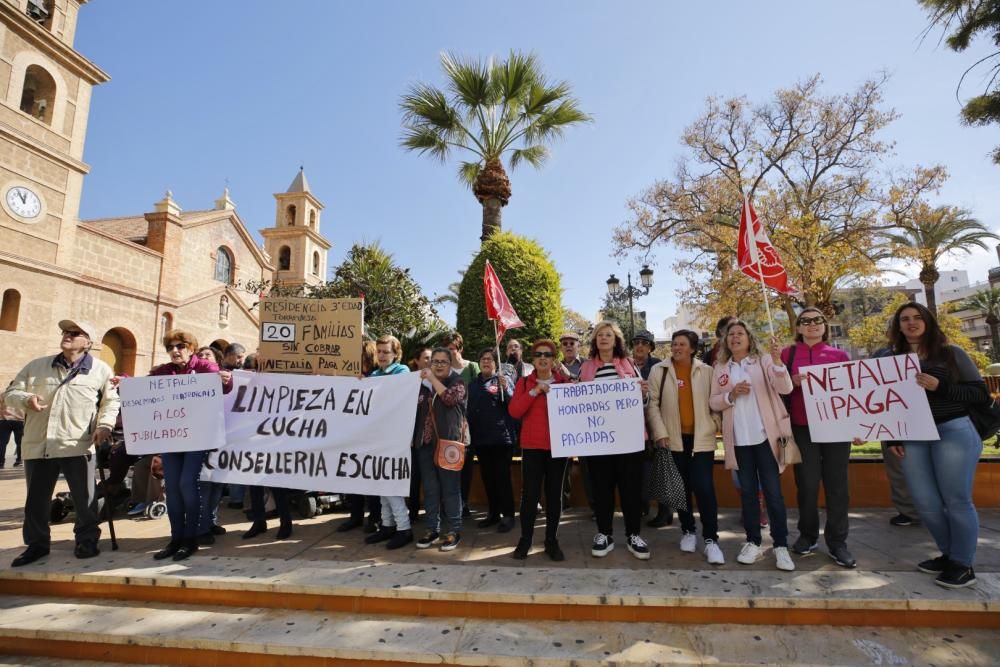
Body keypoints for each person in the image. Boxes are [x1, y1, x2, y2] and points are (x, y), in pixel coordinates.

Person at [886, 302, 987, 589]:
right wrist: (892, 436)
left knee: (956, 500)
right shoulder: (889, 359)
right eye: (904, 319)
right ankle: (949, 555)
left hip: (953, 431)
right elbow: (886, 405)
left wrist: (939, 387)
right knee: (925, 502)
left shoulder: (951, 354)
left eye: (917, 317)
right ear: (898, 326)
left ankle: (963, 564)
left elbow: (979, 392)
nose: (911, 323)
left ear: (928, 322)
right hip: (914, 436)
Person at [5, 319, 120, 566]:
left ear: (88, 342)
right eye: (65, 332)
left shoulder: (101, 370)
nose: (67, 335)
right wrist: (26, 399)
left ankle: (87, 540)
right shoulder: (36, 366)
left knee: (85, 499)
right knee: (36, 500)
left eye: (74, 332)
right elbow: (9, 394)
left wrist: (104, 426)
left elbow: (110, 403)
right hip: (39, 444)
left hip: (77, 445)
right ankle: (36, 545)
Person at [709, 319, 795, 572]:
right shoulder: (720, 367)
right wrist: (731, 395)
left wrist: (779, 363)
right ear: (725, 341)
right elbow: (714, 402)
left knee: (773, 494)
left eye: (740, 333)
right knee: (747, 494)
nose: (735, 337)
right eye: (730, 334)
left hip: (765, 439)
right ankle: (753, 541)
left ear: (749, 338)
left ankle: (780, 546)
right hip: (739, 441)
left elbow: (785, 388)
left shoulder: (764, 360)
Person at [781, 307, 856, 568]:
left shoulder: (840, 355)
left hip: (836, 428)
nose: (812, 324)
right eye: (806, 321)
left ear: (825, 325)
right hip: (802, 428)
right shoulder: (787, 354)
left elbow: (852, 393)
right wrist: (792, 382)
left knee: (837, 487)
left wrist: (857, 427)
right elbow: (776, 389)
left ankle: (838, 543)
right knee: (807, 484)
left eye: (817, 321)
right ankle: (808, 535)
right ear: (798, 327)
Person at [148, 329, 233, 561]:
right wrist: (123, 381)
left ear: (191, 348)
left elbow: (224, 385)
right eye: (170, 348)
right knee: (173, 489)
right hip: (171, 436)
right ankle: (176, 539)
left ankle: (191, 539)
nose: (175, 351)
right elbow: (142, 388)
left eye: (180, 346)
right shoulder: (164, 371)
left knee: (188, 484)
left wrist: (226, 379)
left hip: (197, 436)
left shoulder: (205, 368)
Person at [646, 330, 724, 565]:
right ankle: (688, 531)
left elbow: (715, 403)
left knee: (704, 489)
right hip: (672, 440)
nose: (677, 347)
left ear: (692, 348)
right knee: (681, 489)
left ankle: (711, 540)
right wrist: (660, 433)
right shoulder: (659, 370)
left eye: (682, 344)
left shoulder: (707, 371)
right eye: (674, 344)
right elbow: (652, 405)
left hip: (701, 440)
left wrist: (713, 424)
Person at [580, 320, 651, 560]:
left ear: (616, 340)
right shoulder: (587, 368)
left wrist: (643, 393)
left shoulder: (629, 364)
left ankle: (633, 535)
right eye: (600, 335)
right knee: (602, 490)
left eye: (608, 335)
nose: (603, 338)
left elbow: (643, 402)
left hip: (628, 440)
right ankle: (604, 534)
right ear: (595, 341)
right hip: (598, 441)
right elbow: (579, 403)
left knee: (630, 489)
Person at [508, 339, 569, 560]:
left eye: (548, 354)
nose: (543, 358)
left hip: (558, 449)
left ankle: (551, 541)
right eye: (538, 354)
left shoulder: (565, 384)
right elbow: (514, 411)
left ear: (554, 360)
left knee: (554, 496)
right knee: (530, 496)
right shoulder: (524, 383)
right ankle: (525, 540)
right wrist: (535, 391)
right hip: (532, 447)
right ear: (533, 360)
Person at [414, 347, 467, 551]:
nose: (438, 365)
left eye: (443, 362)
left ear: (450, 363)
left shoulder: (458, 382)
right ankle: (432, 529)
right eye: (434, 361)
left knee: (450, 489)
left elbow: (449, 399)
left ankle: (454, 530)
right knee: (430, 490)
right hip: (425, 445)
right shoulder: (421, 385)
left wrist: (432, 381)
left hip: (448, 444)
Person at [365, 335, 415, 549]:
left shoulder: (402, 372)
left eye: (386, 352)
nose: (382, 355)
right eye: (380, 351)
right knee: (381, 482)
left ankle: (404, 528)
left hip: (396, 437)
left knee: (391, 484)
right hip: (378, 436)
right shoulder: (375, 374)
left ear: (396, 354)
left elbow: (391, 391)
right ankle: (387, 525)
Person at [873, 322, 920, 527]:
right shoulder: (881, 355)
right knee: (897, 470)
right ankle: (908, 512)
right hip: (892, 421)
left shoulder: (932, 352)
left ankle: (935, 509)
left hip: (926, 419)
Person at [467, 348, 517, 533]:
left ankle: (509, 515)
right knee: (487, 478)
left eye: (489, 359)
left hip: (501, 439)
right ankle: (493, 513)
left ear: (496, 363)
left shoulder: (503, 381)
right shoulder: (472, 384)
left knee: (502, 478)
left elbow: (514, 405)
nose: (486, 362)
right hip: (481, 439)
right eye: (483, 359)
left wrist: (506, 389)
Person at [337, 338, 382, 533]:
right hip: (351, 433)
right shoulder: (349, 376)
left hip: (372, 435)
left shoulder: (378, 376)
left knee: (370, 477)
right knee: (353, 476)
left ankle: (374, 517)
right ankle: (355, 516)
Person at [632, 328, 671, 527]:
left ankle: (665, 511)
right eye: (636, 342)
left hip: (656, 423)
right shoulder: (625, 365)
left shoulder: (659, 367)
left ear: (650, 347)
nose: (640, 346)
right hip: (632, 427)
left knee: (661, 468)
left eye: (644, 343)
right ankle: (641, 506)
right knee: (637, 469)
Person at [441, 331, 479, 517]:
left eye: (452, 349)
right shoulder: (443, 370)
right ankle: (450, 505)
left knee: (466, 469)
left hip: (469, 427)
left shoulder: (472, 368)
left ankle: (463, 502)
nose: (449, 353)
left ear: (460, 348)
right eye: (445, 350)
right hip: (449, 428)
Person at [557, 331, 592, 513]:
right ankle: (563, 503)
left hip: (587, 422)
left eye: (572, 343)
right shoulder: (555, 366)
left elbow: (589, 388)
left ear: (578, 345)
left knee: (589, 467)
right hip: (563, 422)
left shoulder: (588, 365)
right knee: (562, 466)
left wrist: (569, 377)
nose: (568, 346)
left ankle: (595, 507)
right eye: (565, 343)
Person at [1, 393, 24, 468]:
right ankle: (19, 460)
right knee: (20, 442)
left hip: (4, 420)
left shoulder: (3, 395)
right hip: (19, 421)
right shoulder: (23, 395)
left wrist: (4, 416)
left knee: (2, 442)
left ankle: (1, 462)